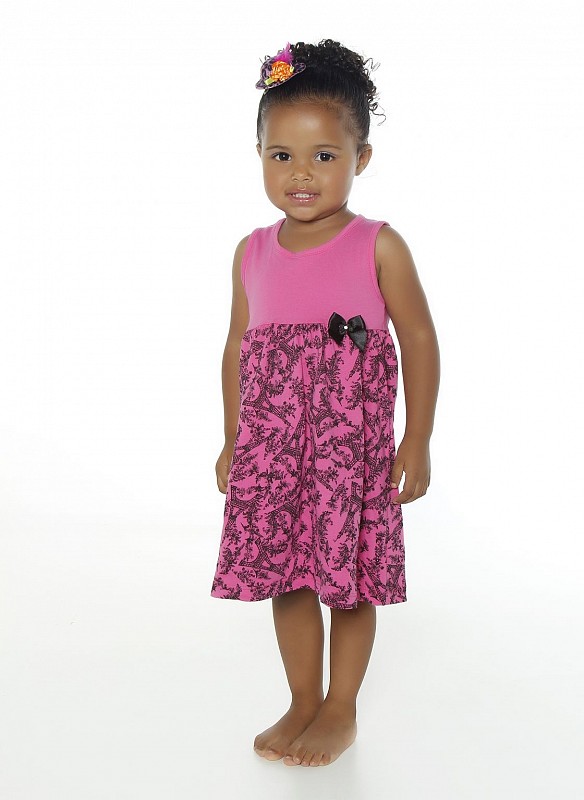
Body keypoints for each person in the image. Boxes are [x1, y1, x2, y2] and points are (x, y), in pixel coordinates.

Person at [211, 39, 440, 768]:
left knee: (346, 579)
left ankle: (341, 707)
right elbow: (238, 347)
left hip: (349, 447)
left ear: (360, 158)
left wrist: (417, 439)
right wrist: (233, 437)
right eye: (281, 155)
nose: (301, 173)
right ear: (258, 155)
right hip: (274, 447)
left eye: (324, 156)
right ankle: (303, 698)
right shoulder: (251, 252)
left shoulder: (378, 245)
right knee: (286, 574)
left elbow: (419, 338)